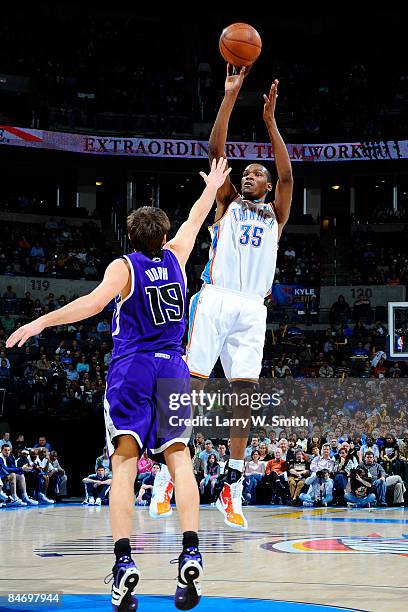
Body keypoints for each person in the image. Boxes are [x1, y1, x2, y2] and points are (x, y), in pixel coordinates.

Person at [6, 157, 230, 611]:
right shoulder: (178, 255)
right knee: (179, 458)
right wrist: (212, 188)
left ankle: (124, 561)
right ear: (163, 237)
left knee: (124, 464)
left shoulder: (123, 268)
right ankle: (191, 549)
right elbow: (195, 218)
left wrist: (39, 323)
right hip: (173, 367)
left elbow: (90, 305)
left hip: (132, 368)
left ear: (131, 238)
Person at [182, 65, 293, 530]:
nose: (247, 177)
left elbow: (288, 176)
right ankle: (174, 471)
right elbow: (215, 151)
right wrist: (230, 97)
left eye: (255, 174)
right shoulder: (226, 204)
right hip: (216, 296)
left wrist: (270, 124)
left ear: (266, 186)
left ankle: (233, 482)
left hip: (252, 308)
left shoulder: (276, 213)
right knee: (192, 387)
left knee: (243, 399)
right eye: (244, 174)